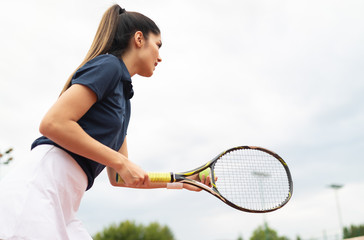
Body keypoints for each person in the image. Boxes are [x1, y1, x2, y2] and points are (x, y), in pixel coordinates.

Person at [0, 4, 211, 240]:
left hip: (65, 204)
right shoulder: (108, 65)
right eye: (158, 45)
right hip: (38, 188)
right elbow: (53, 123)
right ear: (139, 38)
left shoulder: (124, 100)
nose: (160, 56)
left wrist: (181, 181)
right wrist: (120, 161)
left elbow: (120, 177)